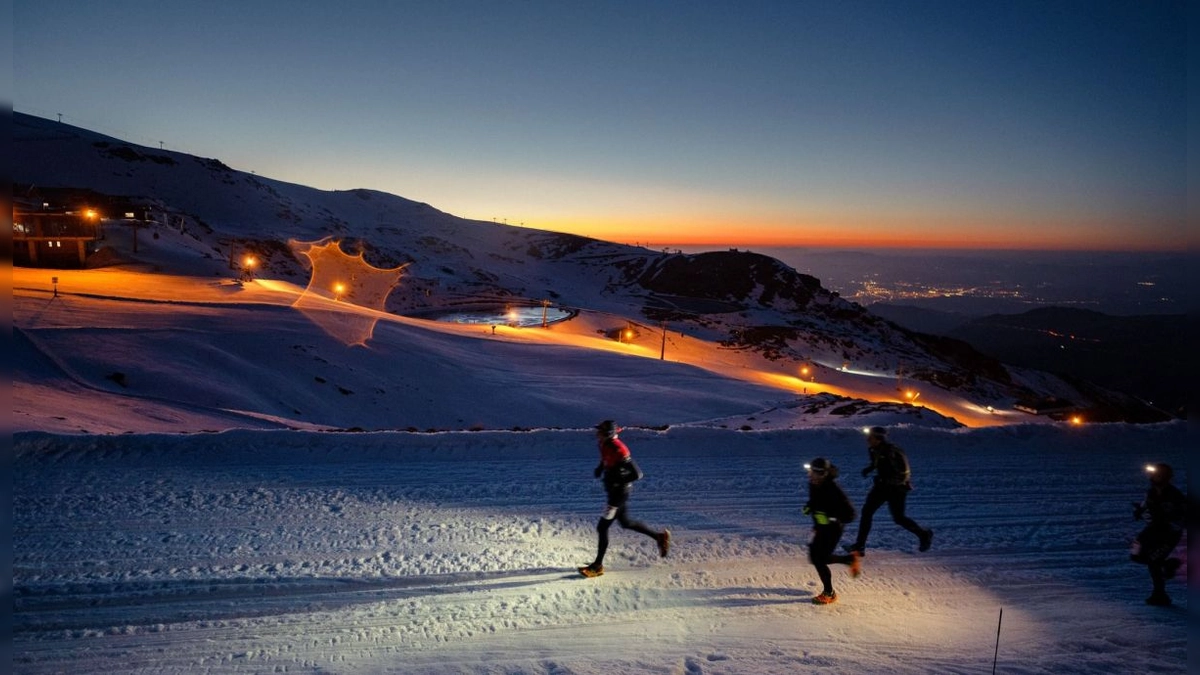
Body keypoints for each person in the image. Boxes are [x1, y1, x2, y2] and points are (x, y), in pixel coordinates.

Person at [579, 420, 670, 577]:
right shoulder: (604, 444)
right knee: (626, 523)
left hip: (618, 494)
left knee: (602, 528)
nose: (597, 434)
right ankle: (659, 537)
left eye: (600, 431)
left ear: (607, 434)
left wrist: (616, 480)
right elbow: (605, 458)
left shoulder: (619, 449)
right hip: (615, 492)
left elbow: (637, 474)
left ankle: (597, 566)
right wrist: (601, 468)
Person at [847, 426, 933, 555]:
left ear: (879, 439)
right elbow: (877, 462)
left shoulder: (893, 451)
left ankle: (924, 534)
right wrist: (869, 469)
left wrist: (892, 483)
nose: (867, 439)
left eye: (870, 437)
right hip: (881, 487)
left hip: (896, 488)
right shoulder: (873, 449)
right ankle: (860, 546)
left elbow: (905, 472)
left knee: (898, 518)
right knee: (867, 512)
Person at [804, 457, 861, 605]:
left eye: (815, 474)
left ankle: (829, 593)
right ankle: (849, 559)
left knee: (819, 559)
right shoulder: (813, 483)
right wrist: (810, 506)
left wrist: (830, 518)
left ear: (823, 474)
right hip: (820, 527)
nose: (811, 476)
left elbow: (851, 515)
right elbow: (816, 499)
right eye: (810, 472)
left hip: (832, 530)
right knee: (815, 557)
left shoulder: (833, 489)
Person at [1130, 462, 1186, 606]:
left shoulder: (1174, 495)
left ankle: (1160, 594)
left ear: (1166, 477)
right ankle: (1168, 565)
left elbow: (1184, 514)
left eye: (1159, 475)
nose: (1155, 477)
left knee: (1153, 561)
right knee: (1136, 554)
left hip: (1169, 533)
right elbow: (1146, 503)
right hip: (1153, 529)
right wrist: (1139, 510)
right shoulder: (1152, 492)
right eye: (1154, 474)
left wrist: (1171, 522)